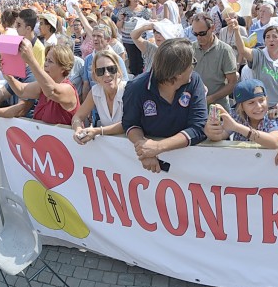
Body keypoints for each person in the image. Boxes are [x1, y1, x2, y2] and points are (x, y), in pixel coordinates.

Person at [122, 38, 207, 173]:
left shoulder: (194, 81)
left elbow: (198, 127)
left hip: (189, 166)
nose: (193, 67)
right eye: (192, 63)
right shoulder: (136, 88)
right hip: (149, 168)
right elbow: (130, 124)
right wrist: (144, 150)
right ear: (178, 73)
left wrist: (158, 147)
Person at [4, 42, 80, 126]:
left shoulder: (68, 89)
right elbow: (21, 91)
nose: (45, 64)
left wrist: (31, 60)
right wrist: (9, 77)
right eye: (46, 60)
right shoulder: (42, 86)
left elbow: (51, 91)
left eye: (50, 61)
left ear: (63, 68)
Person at [204, 79, 278, 149]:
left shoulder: (273, 117)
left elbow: (274, 142)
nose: (259, 106)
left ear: (267, 99)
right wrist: (210, 131)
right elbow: (220, 136)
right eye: (251, 103)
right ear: (241, 107)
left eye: (261, 100)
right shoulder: (237, 116)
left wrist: (236, 127)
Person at [231, 20, 278, 107]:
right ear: (264, 41)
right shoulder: (258, 55)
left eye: (274, 37)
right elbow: (242, 50)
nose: (271, 40)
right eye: (267, 37)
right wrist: (236, 30)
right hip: (262, 108)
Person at [71, 51, 126, 144]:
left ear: (118, 70)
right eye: (100, 71)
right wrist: (78, 128)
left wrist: (98, 131)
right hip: (108, 147)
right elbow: (77, 116)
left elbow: (127, 124)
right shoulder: (95, 91)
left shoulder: (128, 90)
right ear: (95, 75)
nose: (107, 74)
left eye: (111, 69)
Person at [190, 13, 237, 108]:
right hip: (194, 107)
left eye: (202, 33)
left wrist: (210, 99)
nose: (198, 37)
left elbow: (232, 83)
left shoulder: (225, 50)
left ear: (212, 28)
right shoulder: (190, 49)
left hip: (218, 108)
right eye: (195, 34)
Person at [82, 24, 129, 100]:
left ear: (108, 40)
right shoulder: (88, 59)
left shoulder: (116, 59)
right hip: (94, 103)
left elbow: (124, 83)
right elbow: (86, 84)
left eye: (99, 36)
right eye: (93, 36)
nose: (95, 39)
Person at [117, 0, 152, 77]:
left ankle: (141, 78)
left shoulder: (144, 10)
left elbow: (149, 24)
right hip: (128, 40)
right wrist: (121, 19)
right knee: (132, 61)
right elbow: (118, 26)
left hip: (141, 39)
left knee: (141, 61)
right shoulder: (124, 10)